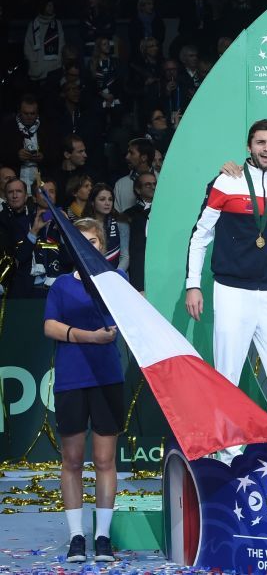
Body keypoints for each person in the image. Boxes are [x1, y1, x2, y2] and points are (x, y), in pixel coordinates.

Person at [185, 120, 267, 448]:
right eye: (260, 143)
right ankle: (228, 451)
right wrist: (193, 284)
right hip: (233, 291)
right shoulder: (227, 180)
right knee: (227, 375)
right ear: (249, 146)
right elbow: (201, 235)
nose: (266, 149)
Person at [42, 218, 125, 564]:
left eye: (93, 241)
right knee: (72, 460)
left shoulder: (116, 280)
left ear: (102, 247)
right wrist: (89, 337)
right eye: (81, 241)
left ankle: (102, 536)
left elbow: (131, 318)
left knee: (105, 460)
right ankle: (77, 536)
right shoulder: (61, 285)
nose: (87, 246)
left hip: (107, 379)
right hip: (71, 380)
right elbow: (50, 326)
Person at [83, 183, 129, 271]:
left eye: (110, 199)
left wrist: (116, 275)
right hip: (91, 274)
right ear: (92, 202)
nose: (107, 203)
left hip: (116, 275)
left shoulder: (120, 223)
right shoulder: (83, 225)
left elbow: (125, 256)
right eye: (102, 199)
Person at [114, 138, 157, 213]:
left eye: (131, 153)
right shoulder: (120, 185)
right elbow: (116, 215)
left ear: (144, 157)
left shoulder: (163, 181)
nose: (127, 157)